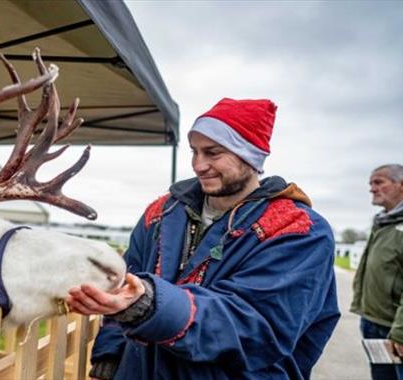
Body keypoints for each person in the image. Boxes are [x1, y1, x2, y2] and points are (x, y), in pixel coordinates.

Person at [66, 98, 340, 379]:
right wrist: (110, 357)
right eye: (194, 152)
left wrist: (150, 305)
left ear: (250, 155)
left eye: (213, 153)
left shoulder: (299, 229)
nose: (199, 165)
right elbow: (125, 284)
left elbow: (257, 325)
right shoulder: (162, 211)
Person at [351, 164, 403, 380]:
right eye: (371, 183)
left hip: (396, 330)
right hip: (374, 323)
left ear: (400, 185)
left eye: (379, 182)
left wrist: (400, 332)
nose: (372, 189)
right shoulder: (383, 222)